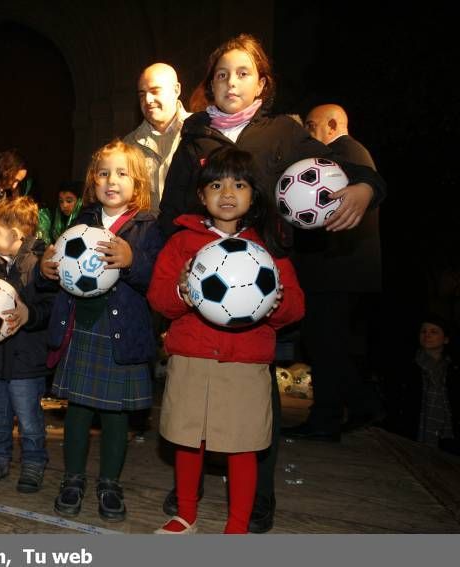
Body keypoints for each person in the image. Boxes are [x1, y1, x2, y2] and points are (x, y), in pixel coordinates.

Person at [158, 34, 386, 533]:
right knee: (192, 389)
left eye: (242, 72)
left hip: (262, 284)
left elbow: (344, 169)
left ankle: (257, 499)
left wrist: (366, 186)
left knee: (254, 395)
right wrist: (165, 268)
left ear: (262, 82)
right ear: (209, 85)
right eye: (221, 73)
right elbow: (173, 208)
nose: (230, 81)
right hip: (201, 285)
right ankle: (185, 494)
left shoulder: (282, 132)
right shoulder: (195, 135)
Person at [148, 147, 305, 534]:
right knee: (188, 440)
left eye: (239, 184)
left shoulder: (267, 246)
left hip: (245, 361)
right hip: (192, 356)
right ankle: (186, 514)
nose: (228, 193)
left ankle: (237, 524)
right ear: (201, 195)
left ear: (254, 194)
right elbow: (158, 297)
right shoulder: (183, 242)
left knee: (242, 444)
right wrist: (182, 291)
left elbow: (296, 307)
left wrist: (277, 303)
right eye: (216, 184)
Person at [40, 140, 165, 522]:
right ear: (93, 181)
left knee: (116, 415)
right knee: (77, 410)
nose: (112, 180)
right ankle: (72, 478)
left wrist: (132, 261)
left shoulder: (147, 227)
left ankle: (109, 481)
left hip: (121, 335)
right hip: (81, 329)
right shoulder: (81, 222)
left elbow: (157, 282)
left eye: (122, 173)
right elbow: (56, 265)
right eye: (103, 173)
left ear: (138, 183)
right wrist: (43, 270)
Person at [282, 104, 383, 440]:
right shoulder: (348, 153)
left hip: (336, 272)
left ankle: (325, 420)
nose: (308, 135)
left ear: (333, 124)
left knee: (324, 345)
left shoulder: (345, 153)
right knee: (330, 344)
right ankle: (362, 405)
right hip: (339, 272)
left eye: (312, 126)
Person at [0, 197, 55, 494]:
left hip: (27, 362)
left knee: (28, 416)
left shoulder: (41, 264)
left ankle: (33, 461)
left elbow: (50, 307)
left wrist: (29, 315)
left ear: (16, 235)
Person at [384, 315, 460, 454]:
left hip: (446, 435)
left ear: (446, 339)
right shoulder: (407, 365)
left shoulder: (453, 368)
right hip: (413, 432)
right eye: (423, 331)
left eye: (433, 332)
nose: (427, 335)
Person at [124, 63, 192, 214]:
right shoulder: (128, 145)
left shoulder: (201, 132)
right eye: (142, 94)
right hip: (146, 235)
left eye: (155, 91)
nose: (148, 100)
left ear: (176, 90)